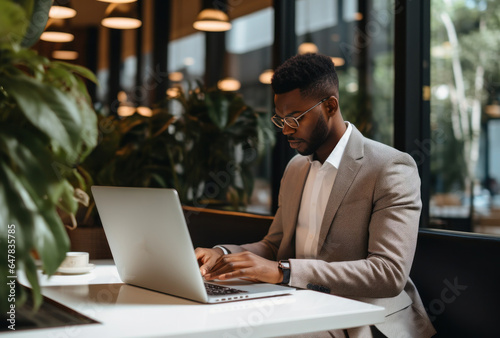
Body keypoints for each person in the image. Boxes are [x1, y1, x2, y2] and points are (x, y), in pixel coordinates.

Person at [195, 53, 436, 338]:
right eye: (280, 119)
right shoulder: (296, 168)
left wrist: (283, 272)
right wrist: (222, 255)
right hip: (301, 304)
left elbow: (388, 273)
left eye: (295, 118)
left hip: (367, 318)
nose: (286, 130)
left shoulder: (390, 167)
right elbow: (273, 246)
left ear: (330, 106)